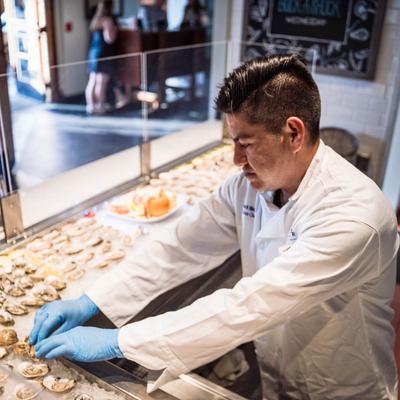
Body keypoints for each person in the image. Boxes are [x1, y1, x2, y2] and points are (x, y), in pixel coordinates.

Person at [29, 54, 399, 399]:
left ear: (294, 133)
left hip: (344, 384)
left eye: (245, 143)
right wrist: (92, 299)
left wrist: (120, 342)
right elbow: (180, 243)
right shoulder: (249, 186)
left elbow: (251, 305)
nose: (236, 160)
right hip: (277, 372)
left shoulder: (355, 216)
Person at [85, 0, 118, 115]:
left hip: (93, 52)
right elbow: (110, 39)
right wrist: (115, 30)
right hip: (103, 53)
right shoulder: (107, 20)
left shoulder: (95, 19)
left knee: (92, 80)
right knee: (101, 82)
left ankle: (90, 106)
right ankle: (100, 106)